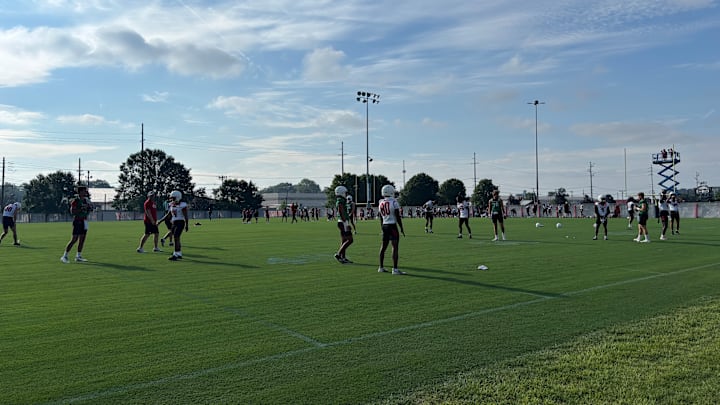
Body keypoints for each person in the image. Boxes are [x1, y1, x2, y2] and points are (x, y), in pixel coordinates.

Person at [377, 185, 406, 275]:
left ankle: (381, 267)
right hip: (392, 226)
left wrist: (382, 227)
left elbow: (381, 218)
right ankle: (395, 269)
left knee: (383, 247)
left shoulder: (381, 203)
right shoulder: (394, 202)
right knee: (395, 247)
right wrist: (401, 227)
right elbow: (398, 216)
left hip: (385, 225)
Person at [60, 185, 93, 263]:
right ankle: (64, 256)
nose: (86, 192)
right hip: (78, 221)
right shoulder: (76, 201)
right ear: (80, 192)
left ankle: (78, 256)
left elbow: (89, 210)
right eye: (84, 191)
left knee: (82, 239)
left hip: (84, 221)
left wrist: (89, 208)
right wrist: (80, 209)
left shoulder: (86, 201)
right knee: (74, 239)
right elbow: (72, 211)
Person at [159, 190, 189, 260]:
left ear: (177, 197)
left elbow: (186, 216)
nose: (172, 199)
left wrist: (186, 225)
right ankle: (179, 253)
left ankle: (176, 254)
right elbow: (168, 215)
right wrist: (160, 221)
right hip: (174, 222)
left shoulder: (182, 205)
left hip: (180, 222)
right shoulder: (171, 204)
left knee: (176, 237)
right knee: (176, 237)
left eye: (173, 198)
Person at [333, 186, 354, 264]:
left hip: (341, 222)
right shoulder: (340, 201)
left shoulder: (341, 200)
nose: (346, 194)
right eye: (345, 192)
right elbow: (341, 212)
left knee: (344, 240)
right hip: (343, 222)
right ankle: (338, 254)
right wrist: (346, 224)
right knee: (350, 240)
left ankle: (343, 257)